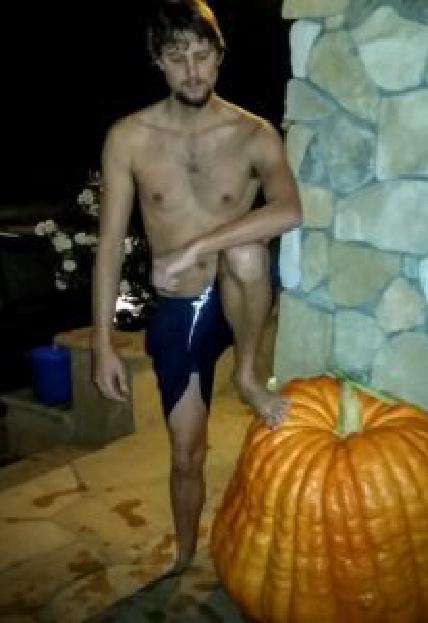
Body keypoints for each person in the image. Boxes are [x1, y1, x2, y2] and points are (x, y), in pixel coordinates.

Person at [92, 0, 301, 574]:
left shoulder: (253, 134)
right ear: (158, 61)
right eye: (177, 56)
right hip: (180, 309)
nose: (192, 70)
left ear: (220, 58)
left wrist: (194, 246)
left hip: (241, 295)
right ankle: (184, 558)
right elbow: (109, 246)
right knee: (186, 454)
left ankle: (248, 372)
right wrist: (105, 344)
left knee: (245, 247)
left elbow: (288, 209)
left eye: (202, 55)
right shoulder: (128, 138)